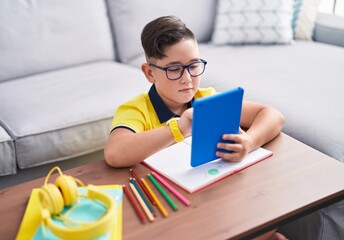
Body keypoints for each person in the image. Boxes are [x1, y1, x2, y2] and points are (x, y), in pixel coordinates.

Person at [104, 16, 286, 240]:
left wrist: (249, 142)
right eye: (174, 69)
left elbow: (272, 115)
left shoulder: (206, 98)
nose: (187, 79)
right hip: (165, 207)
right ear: (150, 73)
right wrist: (178, 127)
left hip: (211, 199)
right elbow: (114, 153)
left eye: (193, 66)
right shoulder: (136, 110)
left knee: (270, 233)